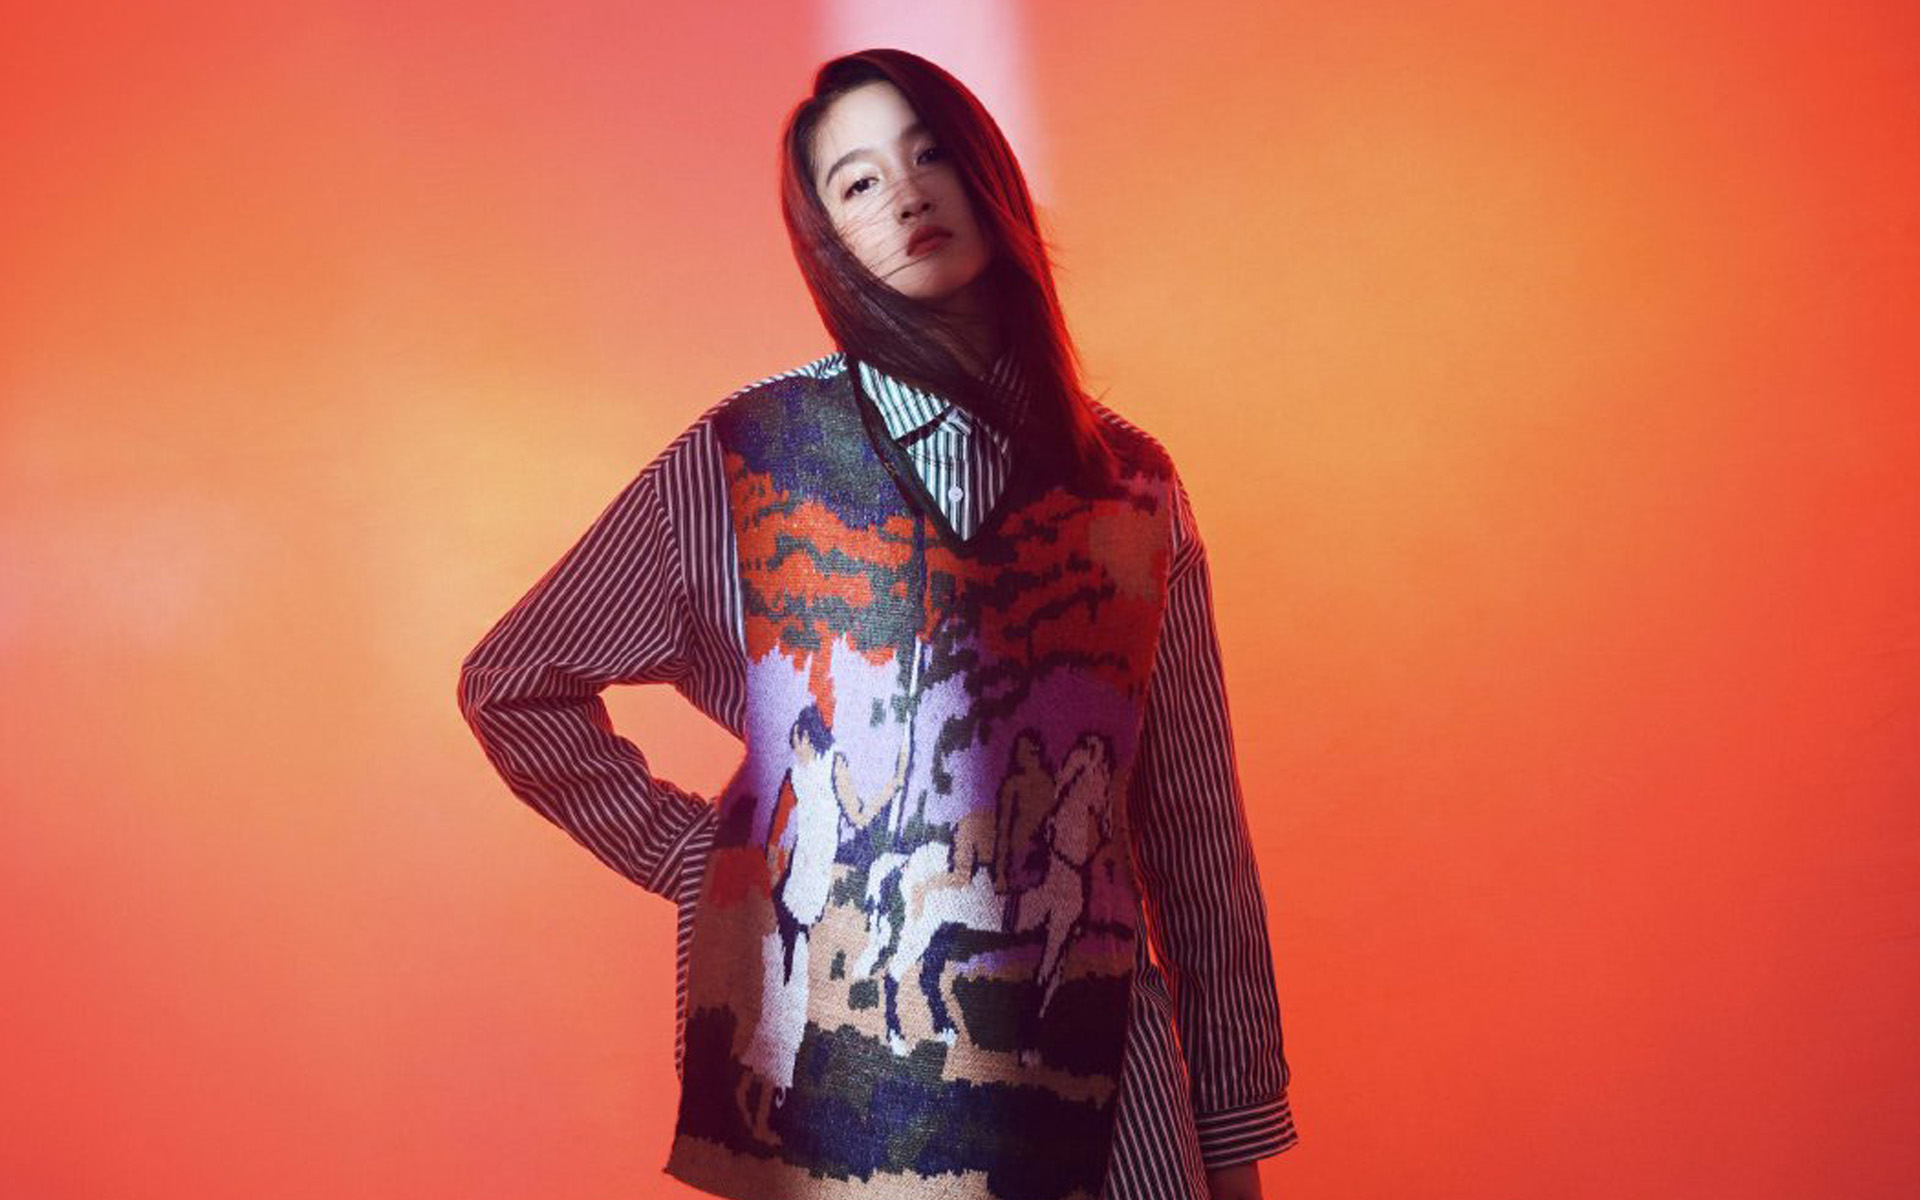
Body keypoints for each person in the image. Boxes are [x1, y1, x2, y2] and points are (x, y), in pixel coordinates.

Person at [456, 47, 1294, 1200]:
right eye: (857, 182)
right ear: (827, 237)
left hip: (1108, 1089)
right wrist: (698, 857)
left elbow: (1197, 836)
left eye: (928, 153)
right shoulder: (747, 459)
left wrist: (1233, 1134)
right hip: (837, 1096)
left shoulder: (1133, 488)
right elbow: (513, 682)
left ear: (987, 173)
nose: (905, 195)